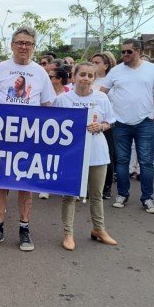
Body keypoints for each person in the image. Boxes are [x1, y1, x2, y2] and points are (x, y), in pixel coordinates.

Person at [0, 26, 55, 251]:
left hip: (28, 139)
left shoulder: (40, 73)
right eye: (20, 42)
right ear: (12, 45)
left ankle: (24, 229)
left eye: (28, 43)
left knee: (25, 186)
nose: (24, 46)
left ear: (34, 47)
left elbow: (48, 106)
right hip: (1, 139)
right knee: (1, 185)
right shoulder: (0, 69)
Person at [100, 38, 154, 214]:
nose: (124, 54)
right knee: (122, 161)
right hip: (120, 123)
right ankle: (122, 194)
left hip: (145, 122)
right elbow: (102, 95)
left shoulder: (152, 69)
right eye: (122, 51)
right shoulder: (116, 71)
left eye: (128, 51)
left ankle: (147, 198)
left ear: (138, 51)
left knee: (146, 162)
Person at [54, 62, 117, 249]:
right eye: (82, 74)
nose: (86, 79)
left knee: (96, 195)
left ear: (94, 79)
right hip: (72, 154)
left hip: (98, 153)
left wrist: (102, 126)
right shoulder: (63, 99)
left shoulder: (102, 98)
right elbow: (54, 125)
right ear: (73, 76)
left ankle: (99, 229)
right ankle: (68, 234)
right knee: (70, 195)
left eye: (90, 76)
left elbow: (110, 121)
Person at [91, 52, 116, 199]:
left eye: (97, 62)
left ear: (106, 65)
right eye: (92, 61)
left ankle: (106, 187)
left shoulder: (110, 81)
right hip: (88, 124)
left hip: (105, 123)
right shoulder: (88, 79)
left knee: (107, 154)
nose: (94, 64)